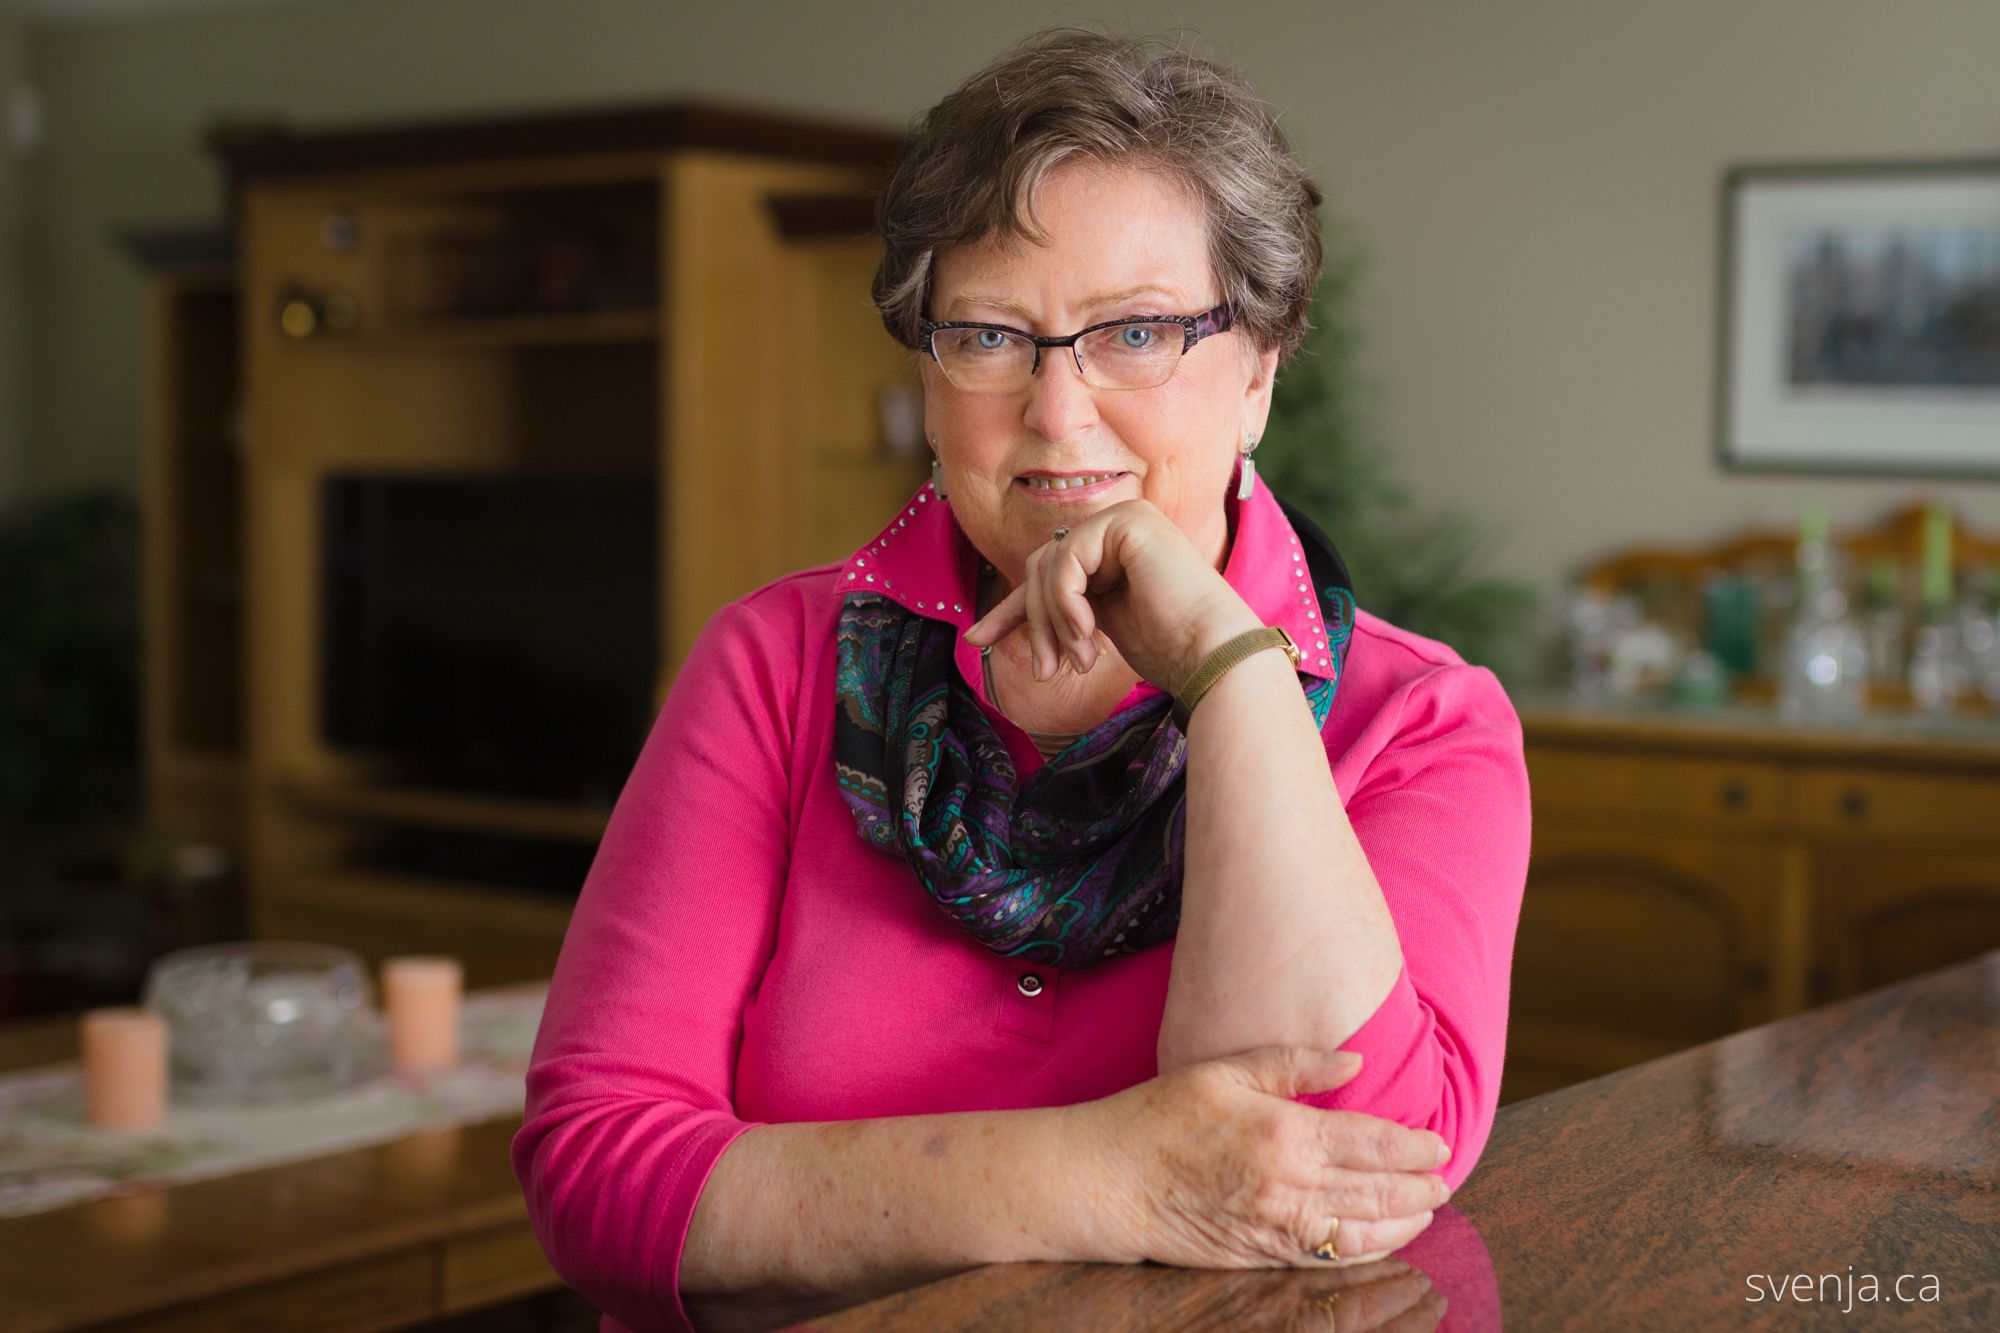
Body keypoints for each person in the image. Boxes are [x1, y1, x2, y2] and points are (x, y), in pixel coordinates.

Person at [513, 28, 1529, 1333]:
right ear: (930, 379)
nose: (1057, 412)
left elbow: (1328, 1203)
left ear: (1261, 369)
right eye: (991, 336)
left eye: (1140, 332)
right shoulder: (773, 663)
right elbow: (599, 1176)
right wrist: (1106, 1174)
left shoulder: (1420, 722)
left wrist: (1234, 679)